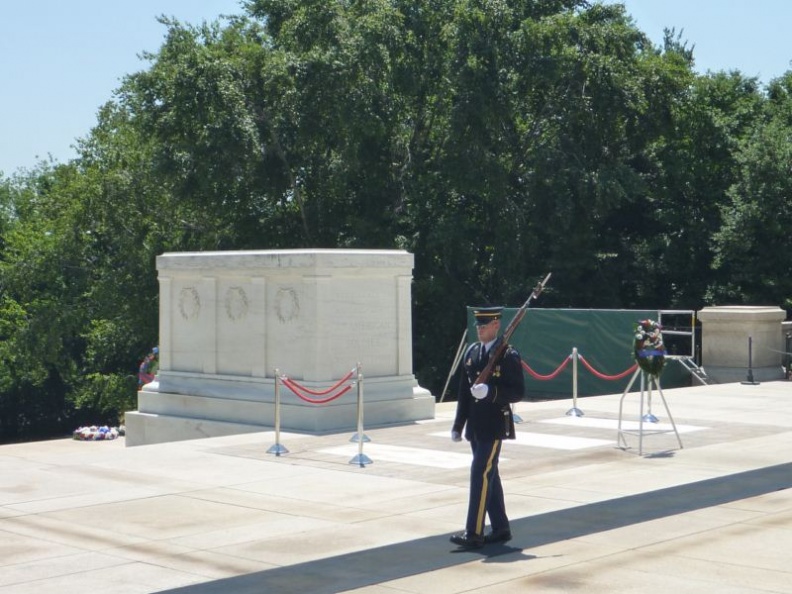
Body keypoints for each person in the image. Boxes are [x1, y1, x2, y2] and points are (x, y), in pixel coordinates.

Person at [450, 306, 525, 549]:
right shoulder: (472, 352)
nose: (480, 329)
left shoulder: (508, 355)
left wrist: (491, 392)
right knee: (489, 474)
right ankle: (501, 528)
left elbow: (517, 392)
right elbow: (463, 391)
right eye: (478, 326)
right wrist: (458, 425)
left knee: (480, 472)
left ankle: (474, 533)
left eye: (484, 325)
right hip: (475, 426)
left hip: (494, 425)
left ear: (496, 326)